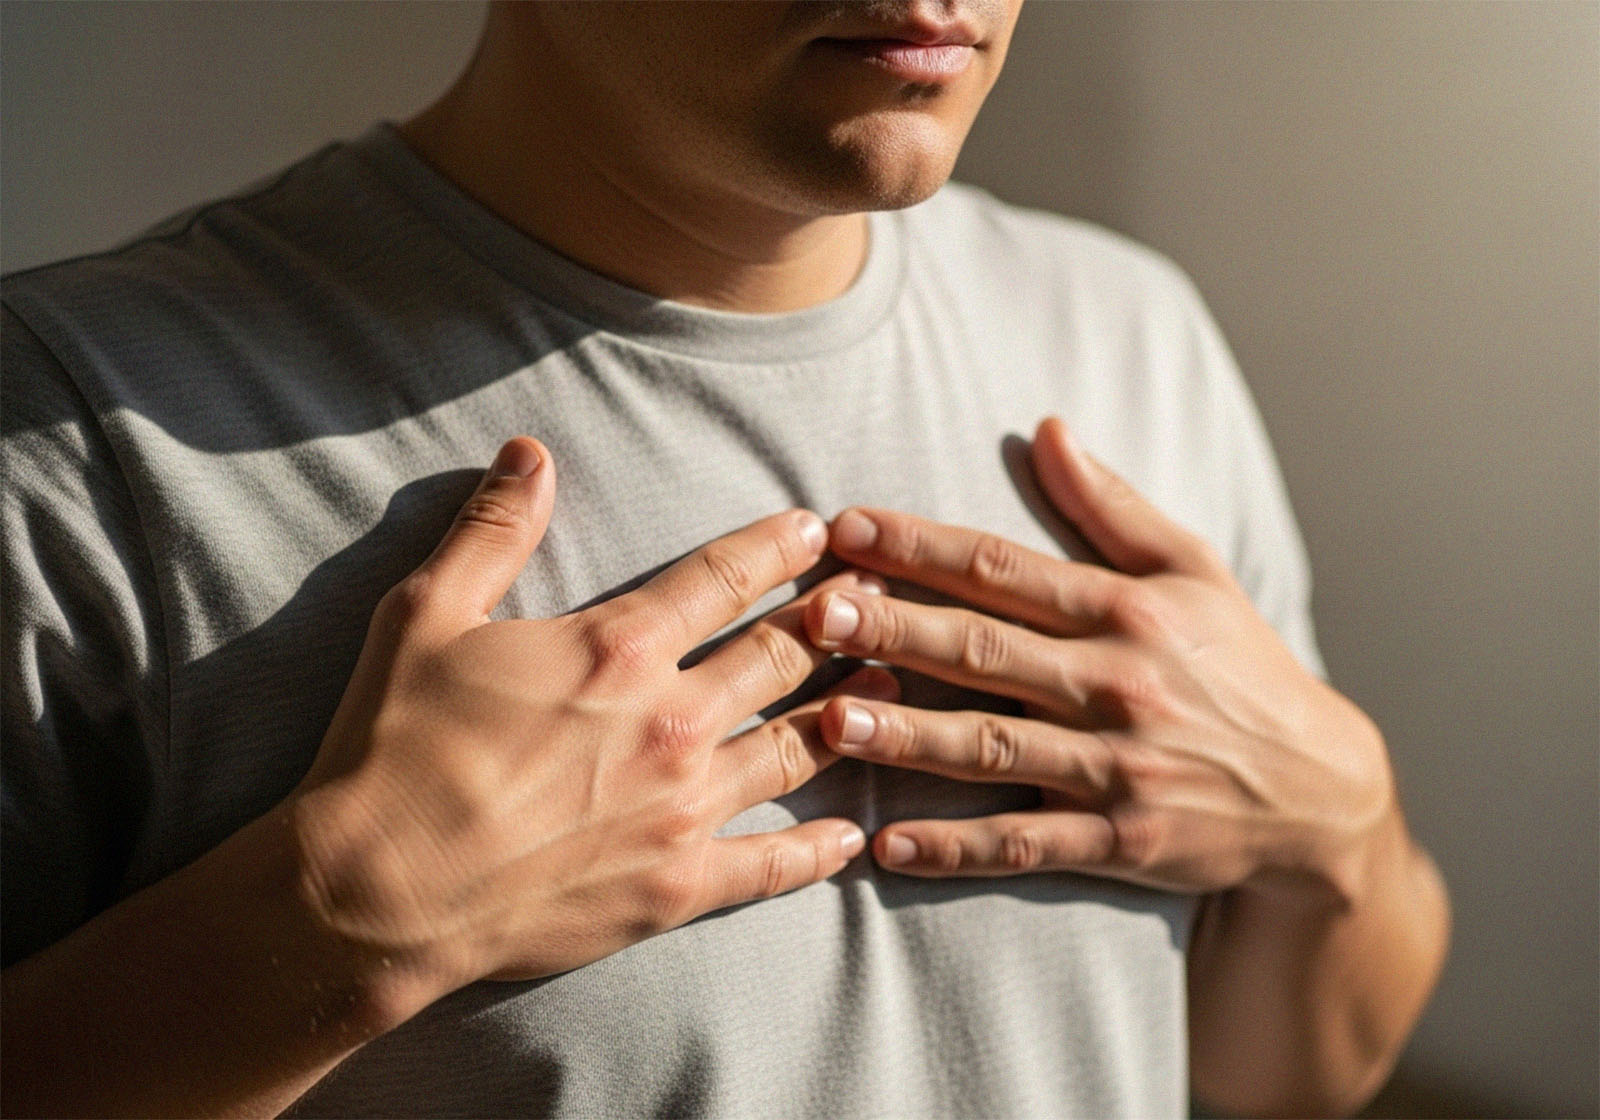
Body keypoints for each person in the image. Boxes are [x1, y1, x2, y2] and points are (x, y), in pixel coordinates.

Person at [1, 2, 1449, 1116]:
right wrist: (332, 930)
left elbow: (1288, 1075)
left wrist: (1339, 822)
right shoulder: (65, 438)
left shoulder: (1133, 338)